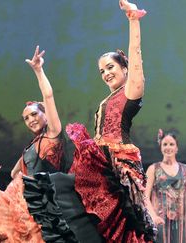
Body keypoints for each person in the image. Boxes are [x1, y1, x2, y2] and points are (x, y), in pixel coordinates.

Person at [0, 46, 104, 242]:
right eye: (26, 118)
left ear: (45, 114)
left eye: (34, 114)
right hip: (31, 206)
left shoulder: (52, 134)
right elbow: (14, 174)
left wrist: (39, 71)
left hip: (52, 206)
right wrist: (16, 194)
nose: (30, 120)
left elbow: (48, 96)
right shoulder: (31, 146)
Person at [63, 0, 156, 242]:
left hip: (117, 164)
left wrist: (133, 20)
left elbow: (135, 53)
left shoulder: (131, 91)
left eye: (110, 67)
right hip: (99, 161)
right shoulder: (108, 98)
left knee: (121, 227)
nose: (106, 73)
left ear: (126, 69)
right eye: (102, 71)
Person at [144, 129, 186, 243]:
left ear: (177, 148)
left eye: (171, 144)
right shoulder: (153, 169)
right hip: (160, 223)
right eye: (165, 144)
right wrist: (153, 216)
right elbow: (144, 196)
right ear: (161, 147)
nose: (168, 147)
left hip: (182, 223)